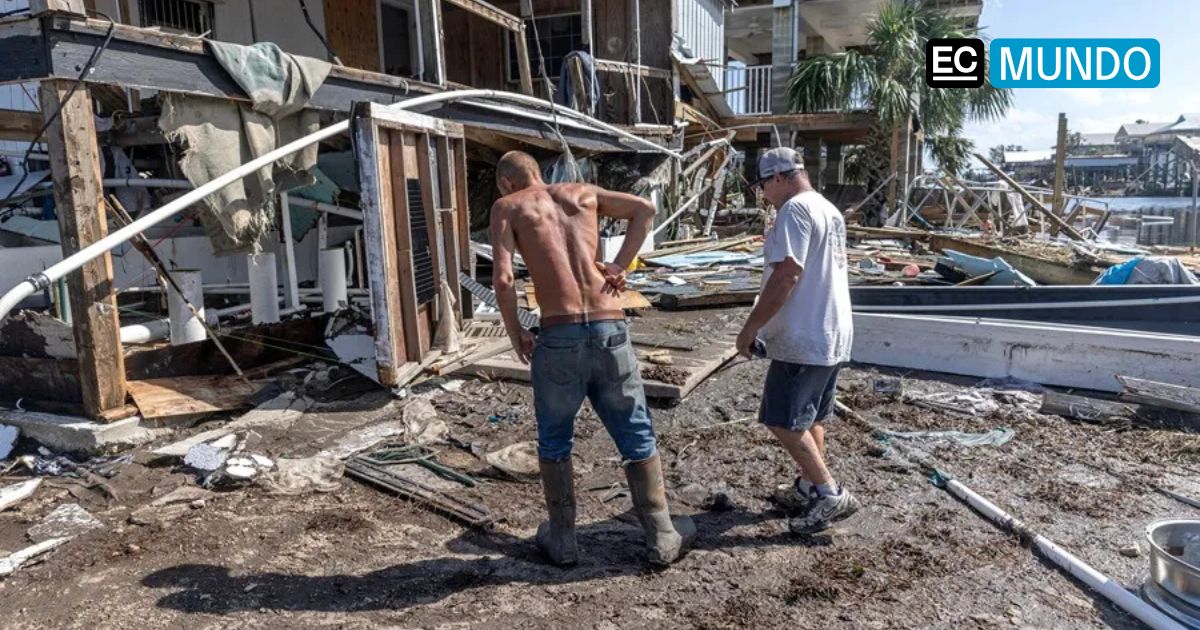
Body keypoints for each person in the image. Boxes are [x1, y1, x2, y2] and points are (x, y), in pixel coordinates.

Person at [489, 150, 695, 567]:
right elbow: (645, 209)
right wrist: (620, 265)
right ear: (538, 173)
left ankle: (563, 541)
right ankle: (661, 535)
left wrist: (516, 334)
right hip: (609, 329)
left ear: (508, 183)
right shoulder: (582, 193)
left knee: (555, 437)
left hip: (559, 334)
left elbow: (504, 278)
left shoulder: (508, 206)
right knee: (635, 431)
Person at [735, 147, 860, 534]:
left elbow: (787, 274)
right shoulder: (827, 208)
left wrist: (751, 327)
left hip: (804, 333)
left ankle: (828, 492)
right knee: (810, 417)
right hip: (830, 330)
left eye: (763, 186)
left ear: (778, 178)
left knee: (783, 420)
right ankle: (809, 485)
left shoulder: (795, 210)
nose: (764, 195)